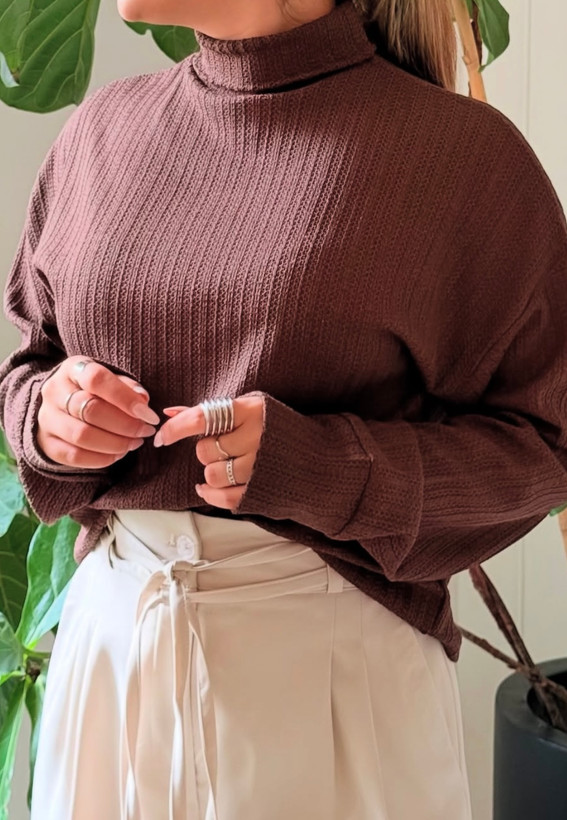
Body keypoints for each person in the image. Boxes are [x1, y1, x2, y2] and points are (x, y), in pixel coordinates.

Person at [1, 0, 567, 817]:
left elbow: (546, 442)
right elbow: (33, 360)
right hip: (109, 665)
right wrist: (49, 418)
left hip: (330, 684)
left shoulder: (459, 159)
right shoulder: (102, 130)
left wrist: (328, 469)